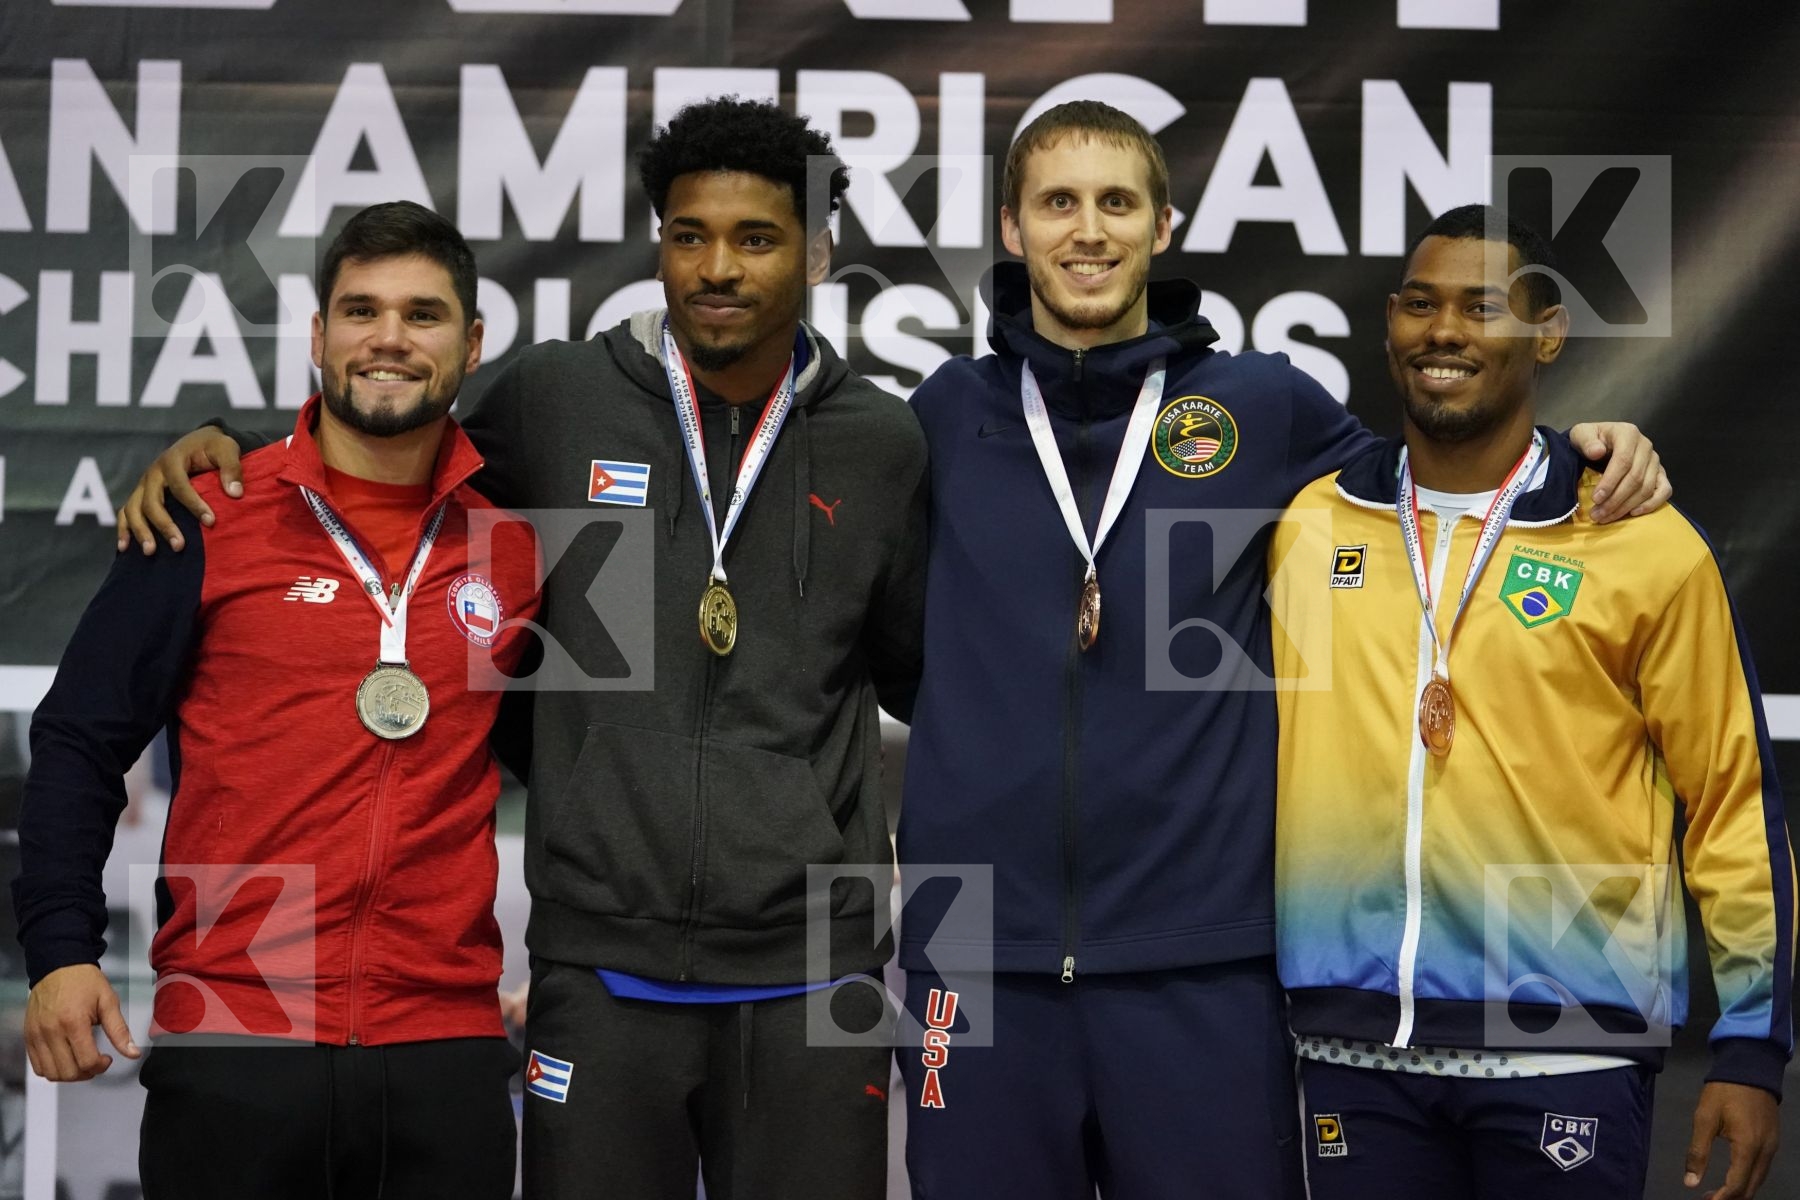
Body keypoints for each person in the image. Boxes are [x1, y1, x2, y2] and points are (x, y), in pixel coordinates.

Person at [115, 98, 927, 1200]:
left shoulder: (883, 444)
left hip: (810, 973)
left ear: (818, 251)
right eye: (688, 236)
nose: (717, 267)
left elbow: (922, 678)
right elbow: (389, 444)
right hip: (598, 965)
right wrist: (237, 449)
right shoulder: (560, 400)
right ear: (658, 247)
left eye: (756, 238)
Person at [894, 102, 1671, 1199]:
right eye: (1057, 202)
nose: (1088, 231)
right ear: (1012, 231)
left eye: (1117, 202)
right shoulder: (941, 415)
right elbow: (886, 640)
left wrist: (1577, 451)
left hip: (1203, 964)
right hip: (974, 962)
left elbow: (1433, 499)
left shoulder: (1263, 407)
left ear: (1165, 225)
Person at [14, 200, 539, 1198]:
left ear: (471, 343)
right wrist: (59, 951)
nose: (388, 338)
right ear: (318, 335)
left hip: (446, 1045)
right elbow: (80, 740)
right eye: (360, 311)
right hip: (236, 1036)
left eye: (422, 315)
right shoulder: (209, 515)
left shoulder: (514, 543)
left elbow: (582, 760)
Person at [1269, 205, 1792, 1200]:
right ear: (1388, 325)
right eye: (1420, 306)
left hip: (1568, 1045)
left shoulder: (1641, 541)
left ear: (1547, 331)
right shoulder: (1311, 522)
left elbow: (1732, 802)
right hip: (1351, 1048)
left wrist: (1752, 1044)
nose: (1445, 332)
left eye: (1482, 307)